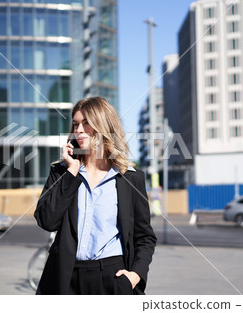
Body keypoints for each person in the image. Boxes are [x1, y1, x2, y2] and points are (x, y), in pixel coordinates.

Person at [34, 96, 157, 295]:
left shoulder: (130, 179)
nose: (79, 130)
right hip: (66, 279)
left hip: (112, 278)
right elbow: (46, 220)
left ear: (103, 127)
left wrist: (135, 275)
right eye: (75, 124)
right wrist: (71, 172)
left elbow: (144, 237)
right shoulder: (61, 172)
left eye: (86, 123)